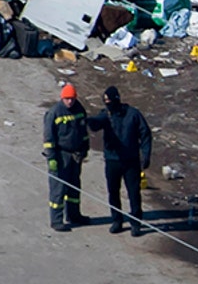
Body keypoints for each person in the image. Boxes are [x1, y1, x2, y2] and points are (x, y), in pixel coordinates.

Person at [88, 86, 152, 237]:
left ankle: (136, 222)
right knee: (113, 192)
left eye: (110, 101)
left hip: (131, 161)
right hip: (112, 160)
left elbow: (145, 134)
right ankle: (117, 220)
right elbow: (97, 123)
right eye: (105, 102)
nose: (108, 104)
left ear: (117, 99)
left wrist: (146, 154)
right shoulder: (106, 115)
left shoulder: (133, 114)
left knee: (134, 192)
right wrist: (88, 121)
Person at [42, 83, 90, 232]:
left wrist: (84, 149)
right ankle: (56, 220)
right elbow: (49, 138)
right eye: (67, 99)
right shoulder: (54, 113)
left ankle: (74, 215)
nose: (70, 101)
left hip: (75, 155)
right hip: (61, 155)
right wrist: (52, 158)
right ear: (62, 98)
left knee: (74, 187)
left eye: (72, 99)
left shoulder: (79, 109)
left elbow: (83, 131)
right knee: (58, 189)